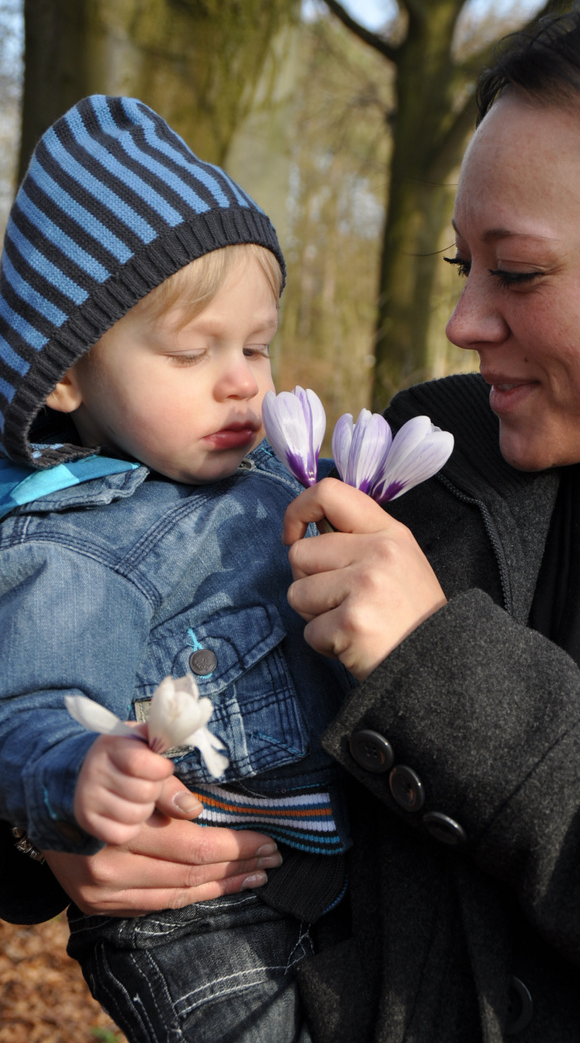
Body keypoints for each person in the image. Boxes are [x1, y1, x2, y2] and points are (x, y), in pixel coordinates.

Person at [5, 0, 580, 1043]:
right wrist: (58, 824)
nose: (464, 321)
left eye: (517, 271)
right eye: (460, 264)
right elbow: (105, 601)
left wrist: (442, 667)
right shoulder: (413, 466)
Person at [0, 95, 352, 1043]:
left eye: (255, 346)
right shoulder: (74, 545)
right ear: (66, 377)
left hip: (323, 875)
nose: (241, 379)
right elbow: (29, 710)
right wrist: (79, 772)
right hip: (195, 922)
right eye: (193, 352)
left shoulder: (276, 470)